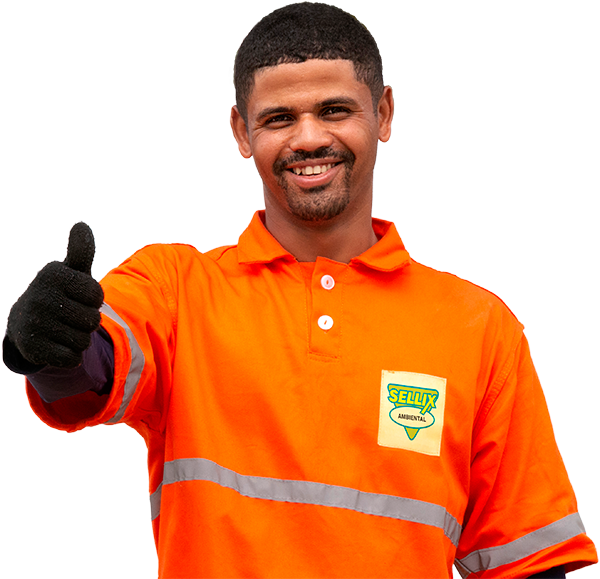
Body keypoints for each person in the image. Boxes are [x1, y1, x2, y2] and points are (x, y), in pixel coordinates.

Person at [3, 4, 597, 578]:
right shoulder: (176, 289)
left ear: (385, 115)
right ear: (242, 131)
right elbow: (97, 368)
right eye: (279, 117)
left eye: (336, 110)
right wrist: (53, 346)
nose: (309, 138)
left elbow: (522, 560)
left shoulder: (479, 328)